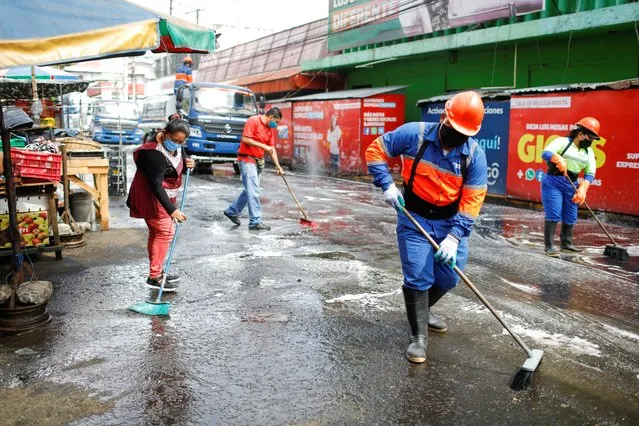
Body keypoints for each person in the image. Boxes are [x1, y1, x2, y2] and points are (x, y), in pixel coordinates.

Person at [365, 91, 488, 364]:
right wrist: (386, 183)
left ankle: (422, 308)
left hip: (449, 221)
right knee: (419, 276)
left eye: (463, 134)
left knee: (449, 278)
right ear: (444, 116)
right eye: (453, 129)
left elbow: (472, 202)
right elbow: (375, 150)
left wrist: (455, 237)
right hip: (414, 216)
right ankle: (418, 337)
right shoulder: (414, 135)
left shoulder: (475, 157)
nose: (456, 138)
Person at [127, 119, 195, 291]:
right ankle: (155, 276)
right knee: (165, 232)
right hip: (152, 198)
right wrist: (172, 211)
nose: (178, 144)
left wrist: (190, 165)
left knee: (157, 233)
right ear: (165, 134)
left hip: (164, 198)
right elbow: (156, 185)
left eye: (182, 142)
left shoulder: (176, 146)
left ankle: (156, 272)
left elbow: (179, 165)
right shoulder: (152, 154)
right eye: (175, 140)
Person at [541, 117, 600, 257]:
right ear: (580, 134)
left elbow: (590, 172)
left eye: (593, 139)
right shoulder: (562, 142)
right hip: (553, 181)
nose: (591, 142)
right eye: (590, 138)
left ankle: (566, 244)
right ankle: (549, 246)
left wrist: (583, 189)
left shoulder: (588, 152)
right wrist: (557, 159)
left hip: (571, 184)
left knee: (571, 213)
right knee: (554, 212)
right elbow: (545, 153)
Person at [223, 108, 285, 230]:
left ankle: (232, 211)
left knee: (249, 190)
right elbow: (246, 139)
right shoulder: (253, 121)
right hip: (247, 160)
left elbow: (271, 149)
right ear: (271, 117)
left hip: (258, 162)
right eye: (276, 122)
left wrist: (278, 166)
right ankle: (255, 221)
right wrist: (263, 146)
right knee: (254, 191)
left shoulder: (269, 130)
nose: (276, 125)